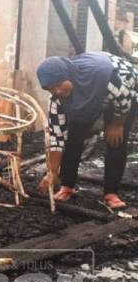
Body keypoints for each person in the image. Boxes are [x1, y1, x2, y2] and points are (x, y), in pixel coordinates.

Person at [37, 51, 137, 209]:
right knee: (73, 137)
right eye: (51, 89)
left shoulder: (106, 78)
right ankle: (67, 185)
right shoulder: (57, 101)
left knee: (116, 140)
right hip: (87, 96)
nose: (56, 91)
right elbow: (57, 138)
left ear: (69, 75)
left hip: (122, 94)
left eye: (58, 85)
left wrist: (117, 124)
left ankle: (111, 192)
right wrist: (52, 172)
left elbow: (124, 100)